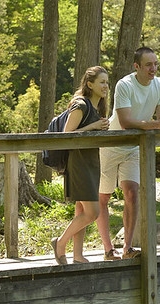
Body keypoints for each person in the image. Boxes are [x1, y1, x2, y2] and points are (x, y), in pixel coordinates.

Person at [97, 47, 160, 260]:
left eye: (156, 64)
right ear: (137, 66)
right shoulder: (125, 85)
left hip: (134, 147)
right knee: (103, 197)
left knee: (132, 193)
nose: (153, 69)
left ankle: (127, 248)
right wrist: (157, 124)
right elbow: (125, 123)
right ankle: (107, 250)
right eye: (149, 65)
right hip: (112, 144)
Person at [51, 66, 110, 265]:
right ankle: (60, 243)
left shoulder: (97, 107)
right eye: (102, 82)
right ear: (89, 84)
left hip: (92, 162)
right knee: (93, 212)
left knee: (81, 210)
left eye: (107, 82)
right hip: (79, 163)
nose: (106, 86)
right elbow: (67, 135)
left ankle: (77, 255)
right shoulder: (80, 105)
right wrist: (93, 126)